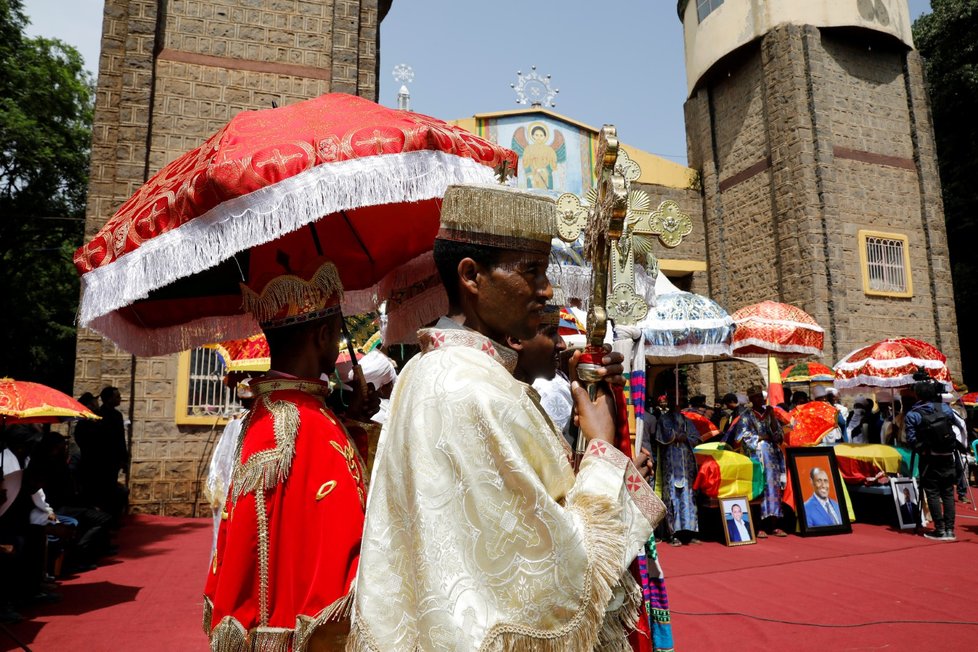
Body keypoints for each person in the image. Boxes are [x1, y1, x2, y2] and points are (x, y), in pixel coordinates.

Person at [350, 184, 663, 651]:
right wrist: (600, 453)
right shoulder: (470, 388)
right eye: (531, 271)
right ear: (472, 275)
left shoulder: (433, 370)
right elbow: (549, 576)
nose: (547, 289)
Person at [203, 261, 371, 650]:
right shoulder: (304, 419)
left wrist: (353, 420)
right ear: (324, 334)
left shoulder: (274, 413)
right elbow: (345, 544)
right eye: (335, 338)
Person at [905, 372, 963, 541]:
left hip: (929, 458)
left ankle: (939, 529)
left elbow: (911, 440)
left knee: (932, 492)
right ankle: (950, 530)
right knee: (948, 493)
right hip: (948, 456)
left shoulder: (913, 414)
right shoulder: (945, 409)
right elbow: (955, 427)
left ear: (917, 394)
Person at [727, 386, 788, 537]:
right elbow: (740, 437)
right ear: (751, 399)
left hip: (772, 456)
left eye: (761, 396)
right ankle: (759, 526)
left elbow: (778, 435)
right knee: (759, 489)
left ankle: (774, 524)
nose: (760, 399)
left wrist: (773, 418)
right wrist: (759, 438)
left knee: (773, 489)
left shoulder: (769, 413)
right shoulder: (746, 415)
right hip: (756, 456)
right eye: (756, 397)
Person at [654, 396, 701, 546]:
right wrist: (675, 436)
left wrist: (685, 437)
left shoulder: (687, 421)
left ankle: (689, 531)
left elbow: (696, 437)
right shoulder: (664, 419)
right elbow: (663, 437)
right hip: (671, 464)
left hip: (686, 466)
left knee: (688, 497)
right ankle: (673, 533)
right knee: (673, 496)